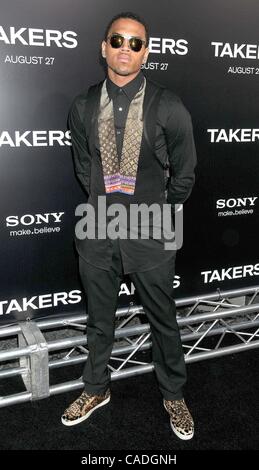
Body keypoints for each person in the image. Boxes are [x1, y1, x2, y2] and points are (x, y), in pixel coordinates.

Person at [62, 11, 197, 441]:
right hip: (98, 227)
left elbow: (185, 173)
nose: (125, 48)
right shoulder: (82, 106)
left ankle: (174, 395)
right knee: (99, 320)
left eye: (135, 43)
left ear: (147, 53)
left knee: (164, 319)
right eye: (117, 40)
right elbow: (85, 169)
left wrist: (157, 212)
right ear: (104, 48)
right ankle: (96, 389)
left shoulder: (169, 105)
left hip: (153, 229)